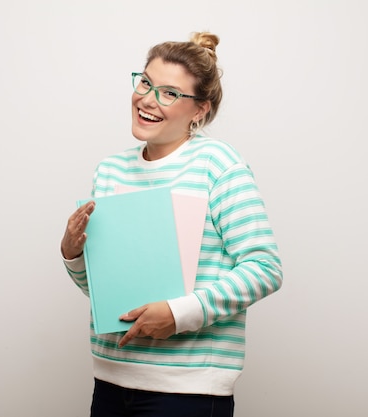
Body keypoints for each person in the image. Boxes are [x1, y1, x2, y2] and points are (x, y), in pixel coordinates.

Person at [61, 31, 283, 417]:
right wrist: (73, 254)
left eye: (169, 92)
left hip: (187, 391)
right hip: (111, 380)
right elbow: (108, 295)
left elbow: (265, 268)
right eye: (146, 82)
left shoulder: (218, 164)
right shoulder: (110, 171)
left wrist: (179, 314)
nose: (147, 99)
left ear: (200, 110)